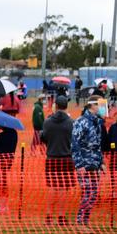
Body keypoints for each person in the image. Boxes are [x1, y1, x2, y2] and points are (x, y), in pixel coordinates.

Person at [71, 96, 107, 233]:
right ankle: (80, 222)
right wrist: (79, 165)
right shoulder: (81, 122)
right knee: (87, 193)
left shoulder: (97, 123)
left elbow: (97, 146)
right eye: (100, 104)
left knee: (93, 194)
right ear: (92, 106)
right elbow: (75, 144)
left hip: (94, 165)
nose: (103, 107)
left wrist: (101, 162)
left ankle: (85, 222)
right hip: (84, 165)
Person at [41, 96, 75, 226]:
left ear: (56, 106)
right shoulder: (71, 122)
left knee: (52, 187)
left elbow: (44, 138)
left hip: (52, 157)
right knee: (63, 188)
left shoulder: (48, 122)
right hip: (66, 158)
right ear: (66, 106)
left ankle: (49, 216)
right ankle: (61, 216)